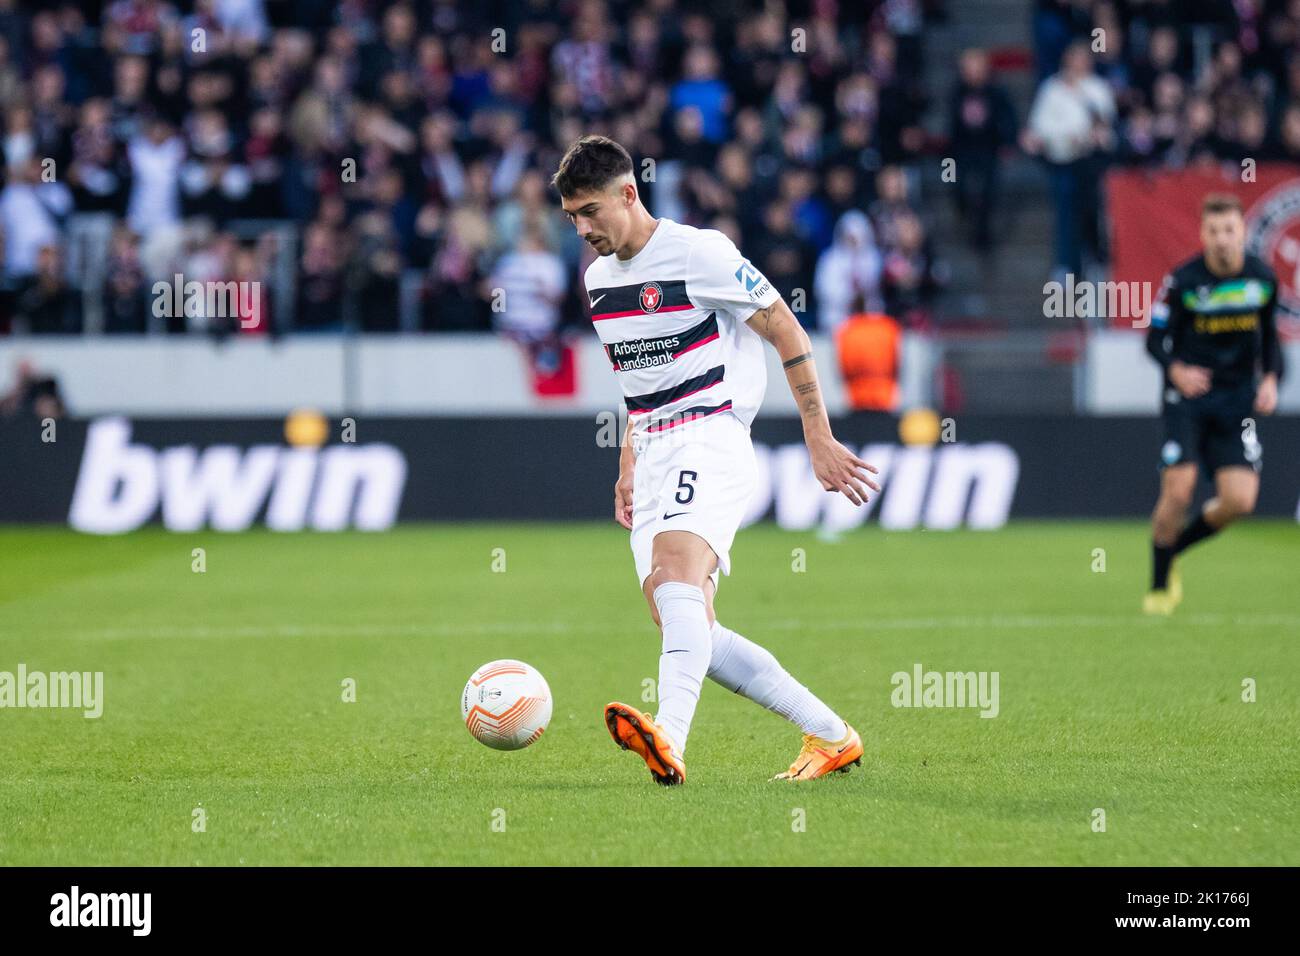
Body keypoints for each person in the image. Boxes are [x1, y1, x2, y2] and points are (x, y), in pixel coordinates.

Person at [552, 135, 878, 785]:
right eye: (571, 218)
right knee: (685, 618)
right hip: (655, 452)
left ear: (628, 193)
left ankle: (667, 738)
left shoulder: (699, 253)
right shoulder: (596, 283)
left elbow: (786, 327)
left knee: (676, 579)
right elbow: (637, 383)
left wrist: (817, 434)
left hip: (711, 434)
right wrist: (626, 465)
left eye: (590, 211)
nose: (583, 229)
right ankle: (832, 734)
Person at [1143, 193, 1283, 615]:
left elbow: (1271, 338)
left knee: (1240, 501)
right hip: (1187, 399)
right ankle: (1158, 584)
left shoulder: (1261, 280)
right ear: (1203, 234)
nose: (1222, 239)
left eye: (1229, 230)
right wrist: (1176, 370)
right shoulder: (1183, 281)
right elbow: (1154, 340)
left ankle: (1175, 551)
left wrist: (1271, 379)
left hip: (1236, 401)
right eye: (1214, 231)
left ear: (1242, 232)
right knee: (1180, 490)